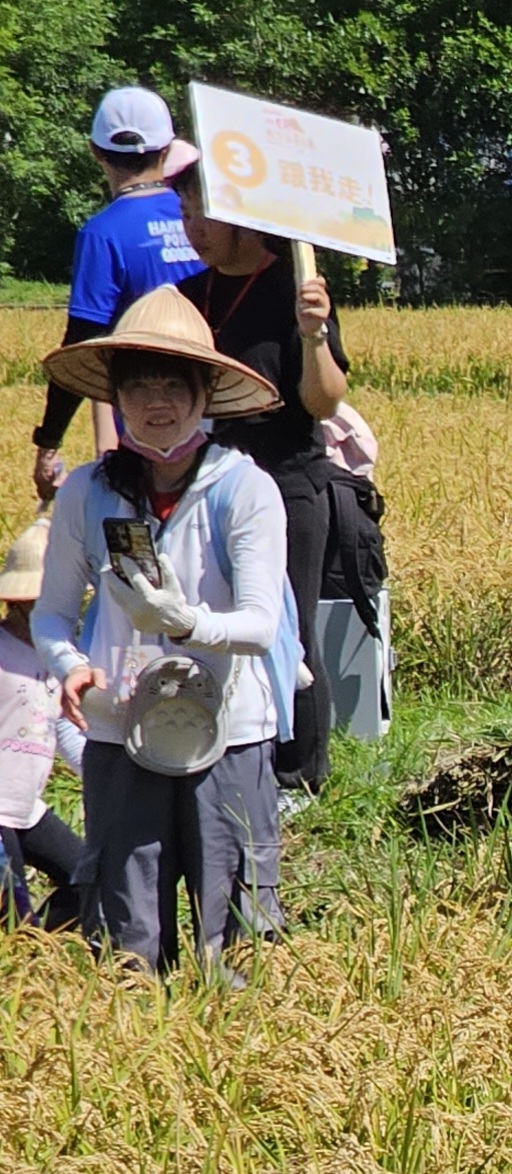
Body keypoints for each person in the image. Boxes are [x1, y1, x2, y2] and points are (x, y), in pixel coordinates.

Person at [32, 289, 301, 975]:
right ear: (117, 395)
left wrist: (185, 622)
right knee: (126, 927)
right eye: (140, 383)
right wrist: (70, 666)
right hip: (120, 727)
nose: (157, 401)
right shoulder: (88, 491)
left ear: (204, 392)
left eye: (173, 384)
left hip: (228, 728)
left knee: (234, 928)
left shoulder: (245, 490)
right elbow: (54, 610)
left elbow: (260, 622)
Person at [174, 161, 349, 796]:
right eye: (183, 214)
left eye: (202, 213)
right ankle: (220, 750)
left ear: (238, 211)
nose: (192, 229)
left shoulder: (297, 290)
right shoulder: (188, 300)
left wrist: (314, 335)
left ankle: (302, 774)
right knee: (211, 616)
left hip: (289, 479)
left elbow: (325, 403)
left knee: (289, 626)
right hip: (211, 483)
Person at [31, 89, 204, 502]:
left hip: (148, 427)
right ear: (167, 149)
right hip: (218, 412)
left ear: (95, 152)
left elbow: (83, 340)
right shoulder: (201, 219)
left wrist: (49, 440)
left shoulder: (102, 234)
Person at [2, 518, 92, 929]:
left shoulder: (60, 658)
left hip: (28, 808)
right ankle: (29, 948)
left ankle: (46, 947)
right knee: (12, 917)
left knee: (88, 879)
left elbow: (65, 726)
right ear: (20, 601)